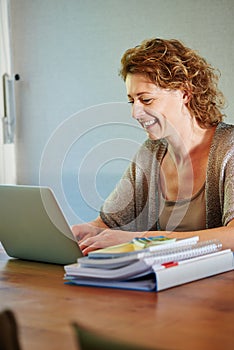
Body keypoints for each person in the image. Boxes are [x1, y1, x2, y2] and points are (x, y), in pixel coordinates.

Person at [72, 38, 234, 255]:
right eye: (132, 101)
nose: (135, 113)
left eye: (146, 100)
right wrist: (87, 231)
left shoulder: (228, 149)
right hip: (169, 282)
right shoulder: (151, 152)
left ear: (185, 93)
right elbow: (108, 222)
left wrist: (141, 240)